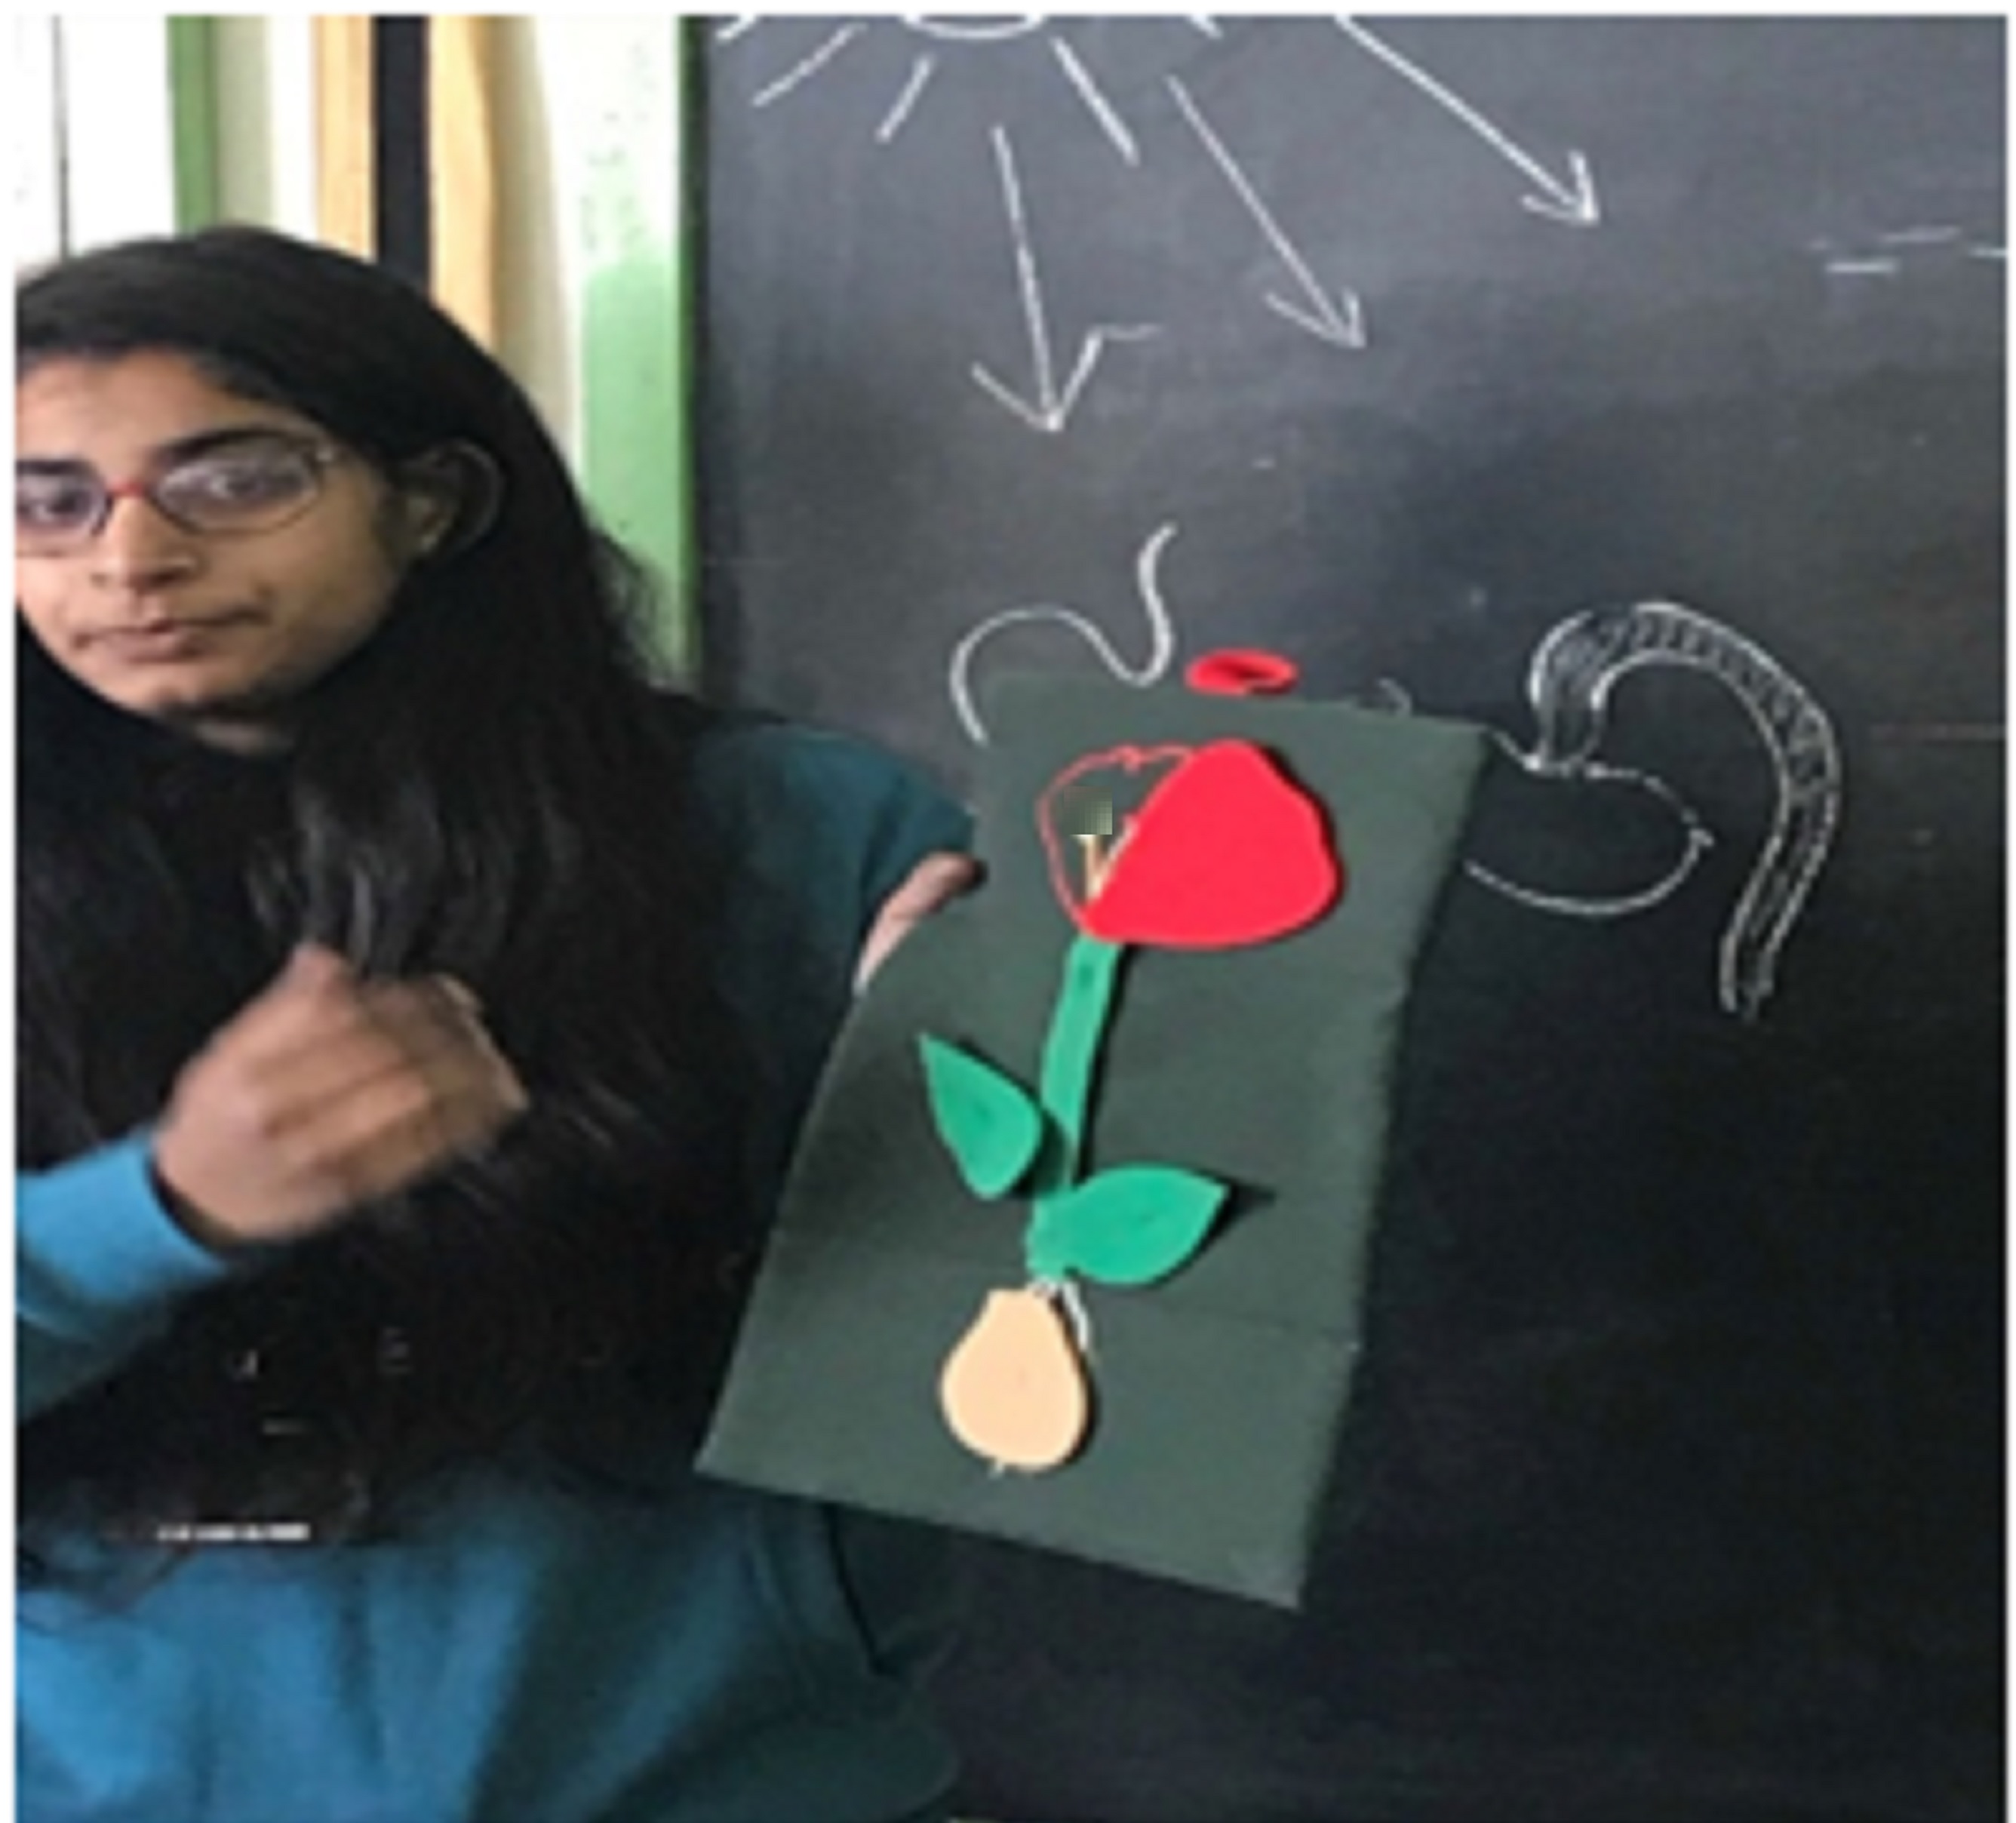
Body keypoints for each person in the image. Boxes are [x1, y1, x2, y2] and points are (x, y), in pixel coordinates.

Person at [16, 223, 979, 1823]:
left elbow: (1047, 1361)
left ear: (432, 500)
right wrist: (160, 1210)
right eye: (49, 502)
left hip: (722, 1781)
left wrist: (1000, 1124)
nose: (129, 559)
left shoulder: (800, 837)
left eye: (234, 479)